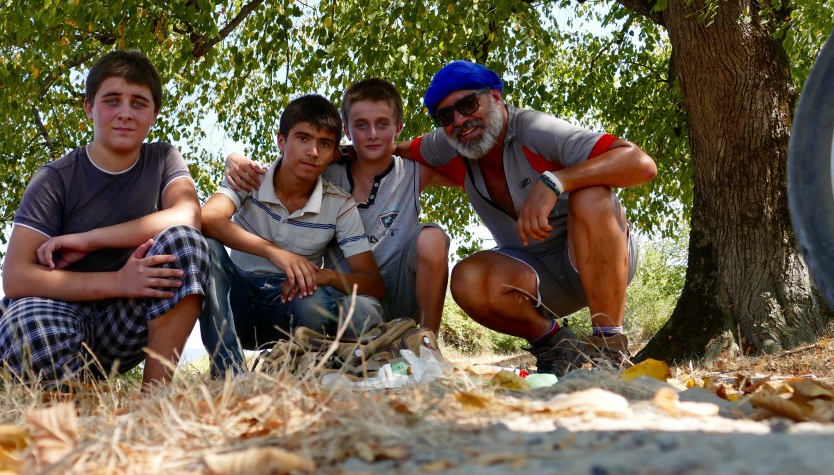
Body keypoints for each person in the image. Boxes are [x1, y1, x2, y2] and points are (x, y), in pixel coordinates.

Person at [399, 60, 657, 376]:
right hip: (534, 279)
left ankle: (608, 349)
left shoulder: (534, 128)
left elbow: (640, 163)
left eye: (468, 104)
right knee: (467, 278)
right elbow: (385, 149)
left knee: (592, 196)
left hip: (595, 261)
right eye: (445, 115)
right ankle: (557, 345)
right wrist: (331, 155)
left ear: (495, 97)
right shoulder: (448, 143)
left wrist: (556, 181)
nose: (460, 120)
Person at [0, 50, 210, 388]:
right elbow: (16, 276)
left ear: (154, 114)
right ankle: (77, 399)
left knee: (187, 242)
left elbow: (189, 215)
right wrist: (118, 281)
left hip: (124, 321)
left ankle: (155, 403)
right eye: (112, 100)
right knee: (25, 325)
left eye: (139, 103)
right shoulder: (54, 178)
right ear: (89, 108)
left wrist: (89, 238)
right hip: (56, 315)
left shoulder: (162, 158)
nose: (125, 113)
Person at [226, 79, 456, 334]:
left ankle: (428, 343)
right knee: (344, 311)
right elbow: (290, 163)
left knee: (432, 237)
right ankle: (327, 355)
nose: (372, 134)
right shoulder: (324, 172)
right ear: (346, 130)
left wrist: (403, 148)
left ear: (398, 127)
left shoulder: (414, 173)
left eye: (382, 124)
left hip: (400, 292)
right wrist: (234, 159)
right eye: (361, 125)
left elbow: (467, 166)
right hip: (345, 299)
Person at [200, 94, 386, 377]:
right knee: (203, 247)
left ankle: (300, 369)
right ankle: (229, 374)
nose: (313, 151)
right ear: (281, 141)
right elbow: (208, 219)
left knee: (313, 297)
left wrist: (324, 276)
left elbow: (373, 284)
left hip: (292, 304)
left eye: (324, 144)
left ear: (333, 152)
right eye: (302, 138)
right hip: (237, 299)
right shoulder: (251, 177)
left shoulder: (339, 204)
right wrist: (275, 253)